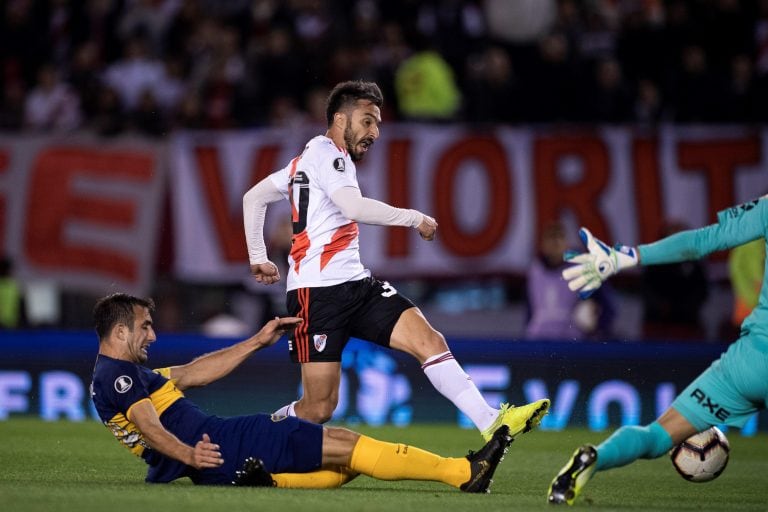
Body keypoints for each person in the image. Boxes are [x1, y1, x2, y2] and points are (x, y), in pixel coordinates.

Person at [242, 80, 549, 441]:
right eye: (368, 121)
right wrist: (414, 218)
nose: (374, 132)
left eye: (378, 124)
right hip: (317, 294)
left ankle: (491, 422)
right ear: (340, 119)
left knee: (429, 341)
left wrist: (259, 258)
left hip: (357, 285)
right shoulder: (330, 156)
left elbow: (254, 197)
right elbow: (353, 207)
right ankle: (254, 438)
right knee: (318, 408)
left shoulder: (304, 161)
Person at [90, 292, 513, 491]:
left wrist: (257, 341)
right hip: (221, 446)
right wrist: (189, 454)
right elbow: (146, 423)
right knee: (346, 444)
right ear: (121, 330)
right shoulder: (118, 377)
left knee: (346, 466)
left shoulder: (125, 374)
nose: (152, 334)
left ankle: (270, 482)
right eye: (145, 326)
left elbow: (194, 373)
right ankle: (462, 473)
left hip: (223, 448)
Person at [547, 194, 768, 505]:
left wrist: (628, 256)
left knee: (657, 434)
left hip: (750, 361)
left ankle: (596, 456)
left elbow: (702, 240)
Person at [525, 221, 615, 340]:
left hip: (573, 343)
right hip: (539, 340)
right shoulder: (535, 272)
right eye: (551, 238)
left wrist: (596, 328)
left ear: (567, 243)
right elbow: (529, 311)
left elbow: (607, 308)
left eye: (559, 237)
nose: (555, 242)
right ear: (543, 244)